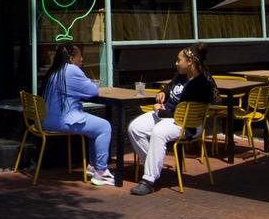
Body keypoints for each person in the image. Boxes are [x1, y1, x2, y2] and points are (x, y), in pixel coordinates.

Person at [129, 45, 217, 195]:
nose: (176, 63)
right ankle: (154, 166)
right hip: (169, 116)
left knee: (158, 132)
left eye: (178, 60)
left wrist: (160, 111)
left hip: (188, 125)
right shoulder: (180, 76)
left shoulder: (200, 84)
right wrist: (163, 92)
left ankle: (149, 180)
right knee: (135, 127)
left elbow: (182, 115)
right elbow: (170, 87)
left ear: (190, 62)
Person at [40, 43, 115, 185]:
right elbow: (93, 92)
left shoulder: (54, 71)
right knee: (104, 127)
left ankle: (93, 167)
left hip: (44, 120)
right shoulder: (72, 70)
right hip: (62, 120)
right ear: (72, 57)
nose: (82, 60)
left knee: (96, 129)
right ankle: (101, 172)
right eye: (81, 56)